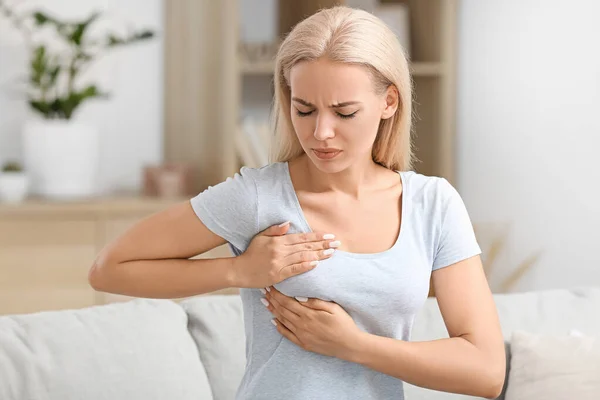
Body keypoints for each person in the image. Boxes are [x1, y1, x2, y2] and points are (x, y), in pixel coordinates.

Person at [89, 5, 505, 400]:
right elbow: (109, 270)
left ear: (388, 103)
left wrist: (354, 345)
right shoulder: (257, 196)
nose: (321, 132)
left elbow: (486, 371)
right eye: (304, 109)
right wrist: (238, 270)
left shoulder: (433, 204)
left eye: (344, 113)